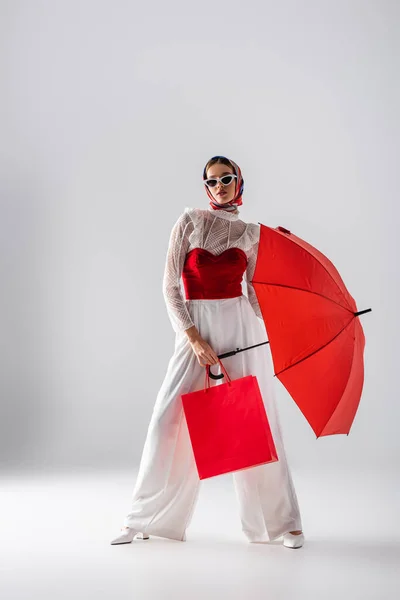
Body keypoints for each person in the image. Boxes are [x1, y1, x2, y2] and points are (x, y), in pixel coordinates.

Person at [110, 155, 305, 549]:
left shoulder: (251, 234)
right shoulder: (189, 223)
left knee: (252, 423)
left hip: (239, 329)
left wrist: (274, 324)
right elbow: (169, 287)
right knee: (168, 420)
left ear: (240, 183)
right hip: (195, 330)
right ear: (205, 187)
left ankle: (282, 525)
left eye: (227, 179)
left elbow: (251, 292)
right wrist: (194, 339)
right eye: (212, 181)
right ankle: (145, 518)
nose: (220, 186)